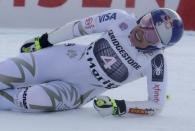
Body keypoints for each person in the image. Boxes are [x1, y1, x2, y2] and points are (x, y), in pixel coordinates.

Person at [0, 8, 183, 116]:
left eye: (151, 34)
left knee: (31, 99)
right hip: (64, 59)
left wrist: (119, 107)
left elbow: (156, 105)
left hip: (77, 91)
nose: (142, 30)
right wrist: (44, 40)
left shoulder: (155, 62)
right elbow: (79, 27)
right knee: (5, 71)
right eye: (146, 20)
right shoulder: (120, 18)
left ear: (159, 46)